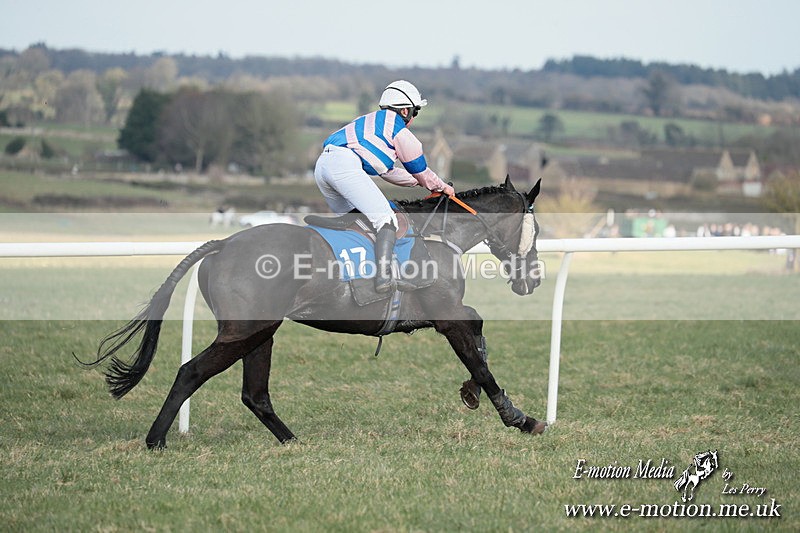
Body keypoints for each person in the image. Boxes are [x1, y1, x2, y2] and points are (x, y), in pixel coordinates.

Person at [314, 80, 455, 293]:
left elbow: (388, 172)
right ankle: (384, 279)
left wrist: (417, 181)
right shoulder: (401, 133)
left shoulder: (369, 122)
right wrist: (442, 186)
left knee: (356, 221)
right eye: (415, 112)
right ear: (406, 110)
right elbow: (422, 171)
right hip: (344, 167)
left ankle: (352, 276)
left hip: (323, 166)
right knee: (386, 219)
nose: (413, 118)